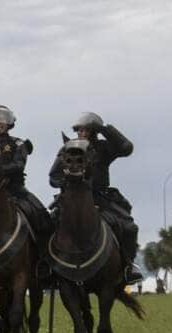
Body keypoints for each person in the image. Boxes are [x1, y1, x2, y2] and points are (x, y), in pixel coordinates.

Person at [48, 112, 141, 283]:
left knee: (129, 228)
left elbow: (126, 148)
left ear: (94, 131)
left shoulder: (103, 147)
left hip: (100, 198)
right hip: (72, 199)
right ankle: (47, 265)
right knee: (47, 224)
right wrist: (67, 181)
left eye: (87, 129)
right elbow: (53, 176)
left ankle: (128, 266)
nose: (82, 132)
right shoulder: (67, 148)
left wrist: (106, 130)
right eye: (80, 129)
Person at [0, 105, 54, 254]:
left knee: (42, 217)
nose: (0, 122)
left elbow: (19, 164)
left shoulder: (17, 143)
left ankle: (44, 258)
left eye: (3, 119)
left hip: (15, 191)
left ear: (9, 123)